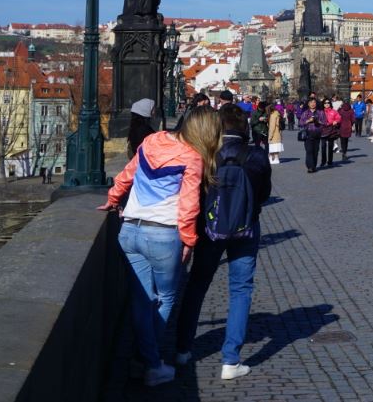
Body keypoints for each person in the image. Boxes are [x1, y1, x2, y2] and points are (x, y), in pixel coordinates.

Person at [98, 107, 221, 387]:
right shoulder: (192, 157)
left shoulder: (151, 141)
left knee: (142, 300)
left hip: (129, 230)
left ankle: (144, 360)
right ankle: (150, 364)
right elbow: (189, 206)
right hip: (164, 235)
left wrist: (113, 198)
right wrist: (189, 240)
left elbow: (127, 175)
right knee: (164, 298)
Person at [175, 104, 271, 381]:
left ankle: (182, 349)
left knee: (197, 285)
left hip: (210, 230)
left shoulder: (207, 154)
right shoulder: (256, 155)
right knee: (241, 290)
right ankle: (231, 360)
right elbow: (264, 195)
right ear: (245, 128)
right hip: (246, 229)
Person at [299, 96, 325, 173]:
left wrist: (318, 122)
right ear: (308, 104)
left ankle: (314, 166)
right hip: (308, 133)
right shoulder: (305, 113)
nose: (313, 104)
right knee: (309, 150)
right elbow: (300, 123)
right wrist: (308, 121)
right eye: (311, 102)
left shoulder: (320, 112)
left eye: (314, 102)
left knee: (315, 151)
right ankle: (310, 166)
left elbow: (325, 123)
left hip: (317, 133)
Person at [321, 99, 340, 167]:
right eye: (325, 103)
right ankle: (323, 161)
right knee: (323, 146)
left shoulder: (333, 111)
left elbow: (338, 117)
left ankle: (330, 161)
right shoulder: (321, 112)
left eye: (328, 103)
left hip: (331, 130)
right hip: (323, 130)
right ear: (323, 104)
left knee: (330, 146)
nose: (327, 104)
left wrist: (336, 121)